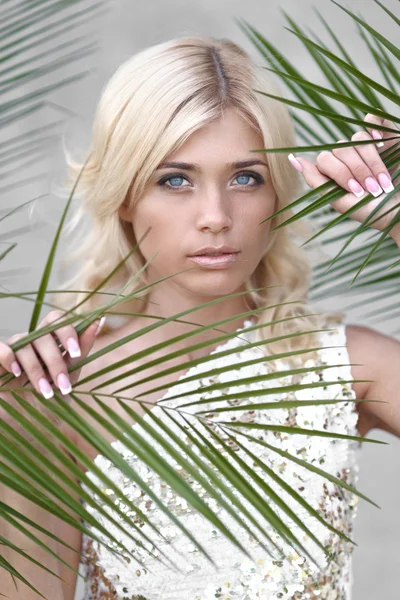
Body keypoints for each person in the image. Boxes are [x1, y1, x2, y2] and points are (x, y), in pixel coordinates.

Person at [0, 35, 399, 600]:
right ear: (125, 197)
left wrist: (396, 218)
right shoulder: (58, 393)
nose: (215, 216)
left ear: (278, 196)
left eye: (245, 178)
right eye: (175, 180)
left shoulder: (349, 366)